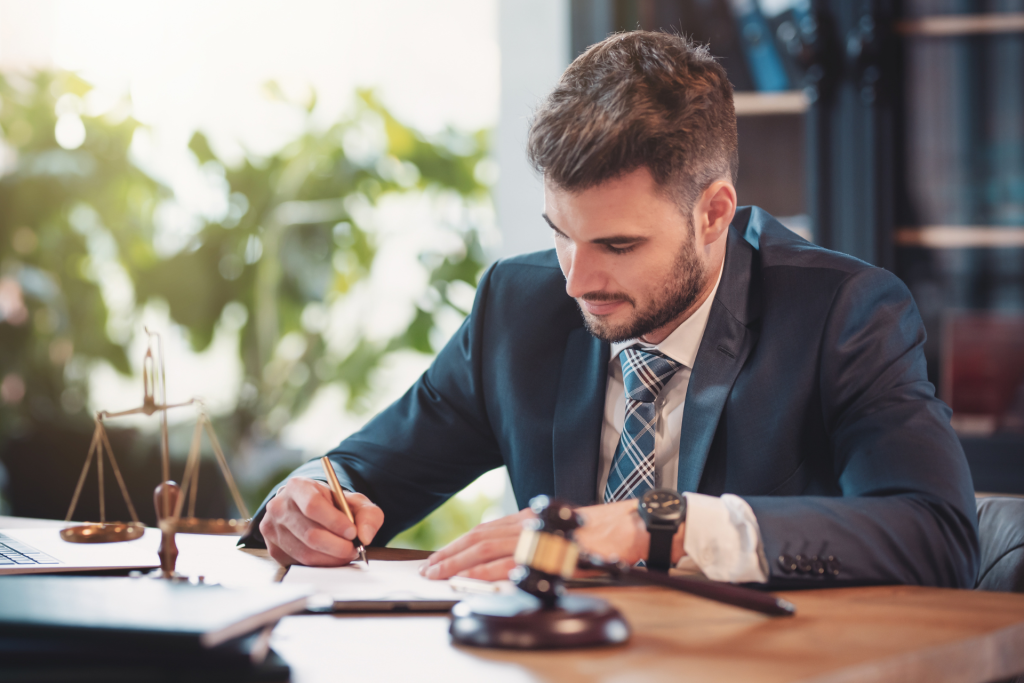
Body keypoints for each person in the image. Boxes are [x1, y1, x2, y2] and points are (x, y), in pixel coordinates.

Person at [241, 31, 979, 588]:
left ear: (714, 212)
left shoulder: (842, 314)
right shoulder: (519, 306)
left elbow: (936, 533)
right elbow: (363, 471)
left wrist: (660, 525)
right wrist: (306, 500)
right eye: (561, 235)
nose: (576, 280)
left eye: (619, 244)